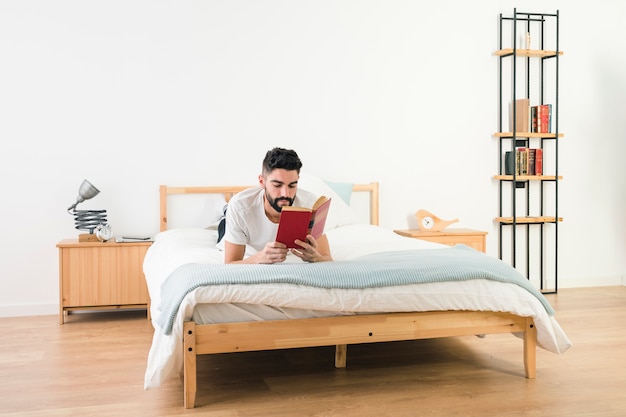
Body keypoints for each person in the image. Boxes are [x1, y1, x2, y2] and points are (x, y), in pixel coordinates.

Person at [220, 147, 333, 264]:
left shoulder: (310, 204)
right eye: (277, 185)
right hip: (237, 226)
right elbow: (231, 264)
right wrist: (259, 258)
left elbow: (327, 258)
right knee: (225, 223)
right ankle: (224, 214)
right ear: (262, 181)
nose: (286, 194)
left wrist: (316, 258)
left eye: (292, 185)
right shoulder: (240, 207)